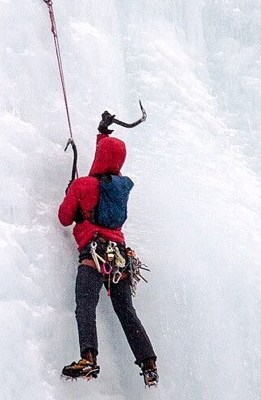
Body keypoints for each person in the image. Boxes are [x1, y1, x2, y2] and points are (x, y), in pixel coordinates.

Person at [58, 112, 158, 387]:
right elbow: (107, 158)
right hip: (120, 257)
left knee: (85, 305)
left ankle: (88, 359)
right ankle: (149, 365)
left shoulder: (83, 185)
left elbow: (64, 218)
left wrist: (70, 193)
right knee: (126, 311)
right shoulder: (120, 187)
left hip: (93, 253)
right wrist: (103, 132)